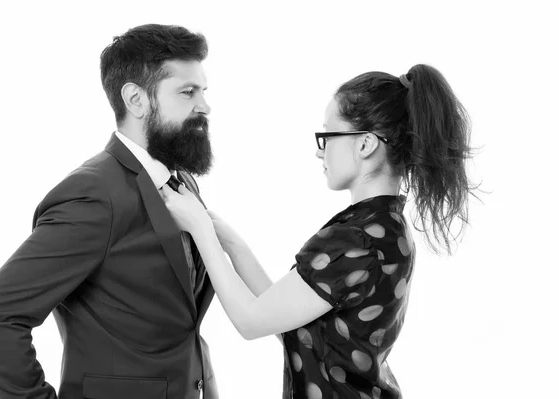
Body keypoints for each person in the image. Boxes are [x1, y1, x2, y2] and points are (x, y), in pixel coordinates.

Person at [161, 64, 475, 398]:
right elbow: (289, 320)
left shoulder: (356, 241)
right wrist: (226, 239)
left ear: (366, 144)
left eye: (327, 136)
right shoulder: (387, 228)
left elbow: (251, 321)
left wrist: (199, 230)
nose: (319, 150)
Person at [0, 24, 219, 399]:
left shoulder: (181, 180)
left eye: (203, 91)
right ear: (136, 100)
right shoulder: (93, 195)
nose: (204, 105)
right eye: (187, 92)